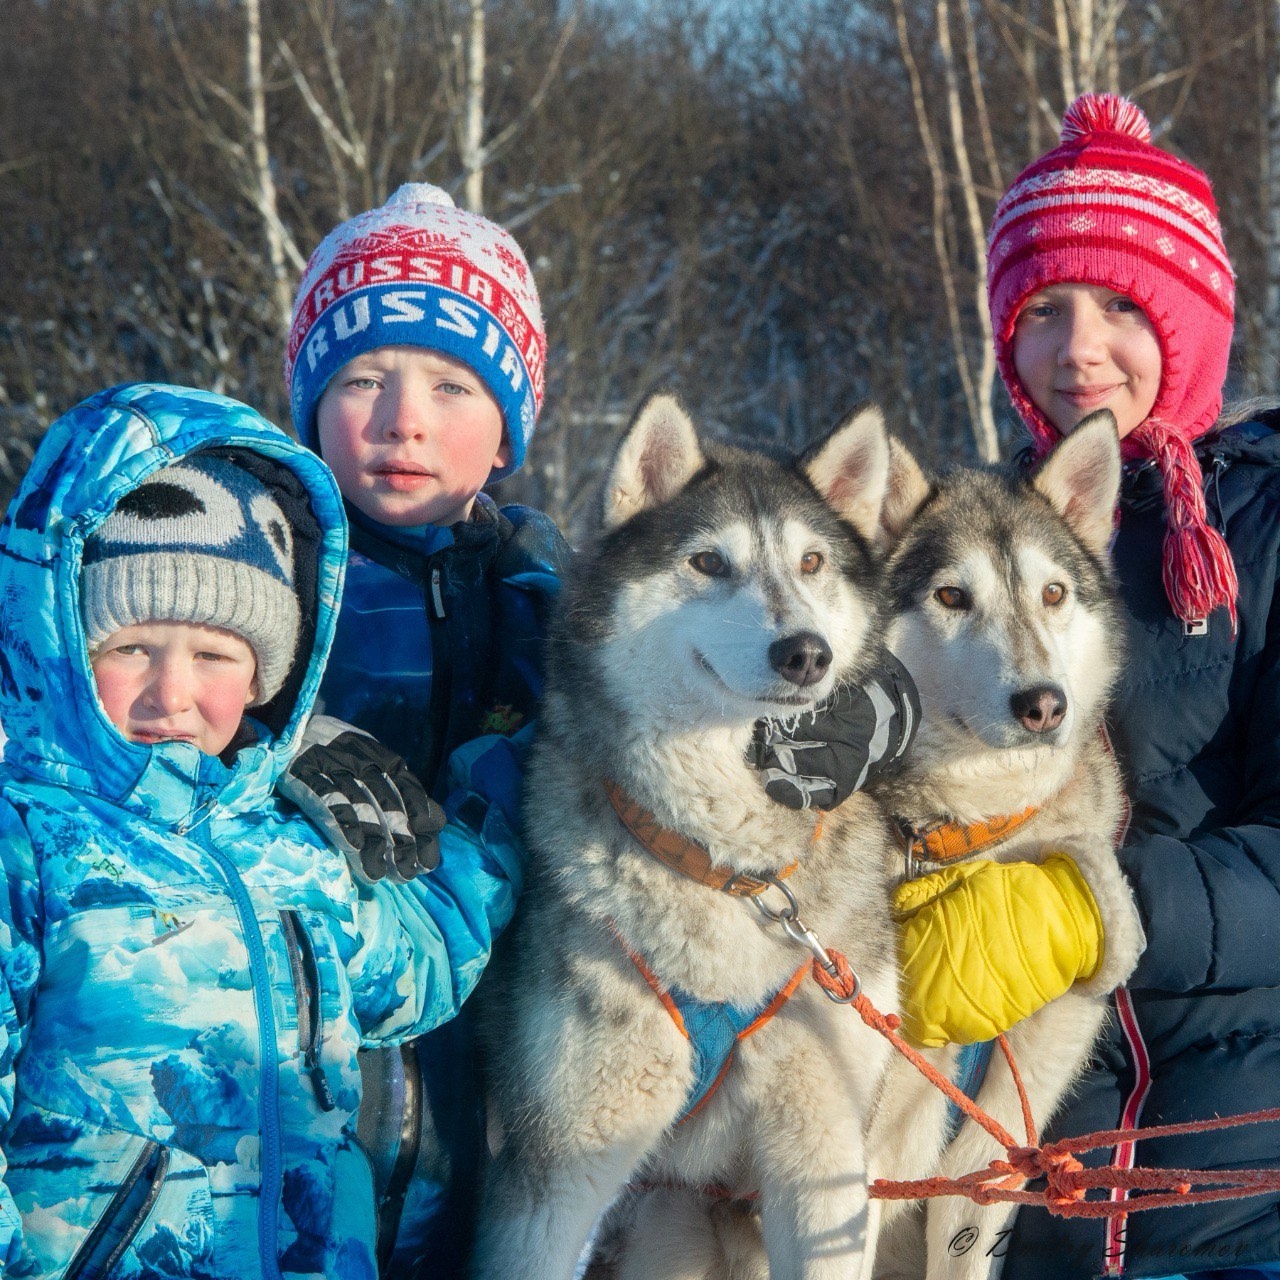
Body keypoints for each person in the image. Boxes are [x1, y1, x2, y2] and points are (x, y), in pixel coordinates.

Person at [283, 182, 923, 1276]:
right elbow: (150, 704)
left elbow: (828, 638)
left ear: (507, 430)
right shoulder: (268, 578)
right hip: (328, 1023)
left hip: (492, 998)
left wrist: (875, 705)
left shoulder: (543, 591)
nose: (403, 419)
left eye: (451, 384)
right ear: (308, 405)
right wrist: (289, 750)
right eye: (360, 379)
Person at [0, 382, 524, 1278]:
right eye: (131, 648)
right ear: (64, 646)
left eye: (214, 655)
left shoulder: (299, 849)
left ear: (266, 674)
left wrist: (511, 787)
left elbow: (424, 961)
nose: (172, 692)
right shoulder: (29, 845)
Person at [895, 93, 1280, 1278]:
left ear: (1190, 323)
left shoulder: (1261, 530)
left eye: (1119, 305)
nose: (1076, 349)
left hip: (1230, 1193)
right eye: (1041, 310)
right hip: (1005, 1196)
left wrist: (1088, 909)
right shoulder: (957, 540)